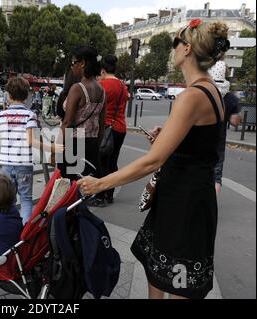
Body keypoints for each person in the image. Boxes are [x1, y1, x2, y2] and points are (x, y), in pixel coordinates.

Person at [78, 20, 230, 299]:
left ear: (186, 48)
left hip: (182, 204)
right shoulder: (210, 90)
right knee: (159, 273)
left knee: (173, 281)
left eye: (175, 43)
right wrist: (168, 134)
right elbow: (201, 142)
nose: (173, 49)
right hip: (190, 199)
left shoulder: (192, 95)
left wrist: (100, 183)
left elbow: (152, 161)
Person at [0, 77, 62, 224]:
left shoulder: (1, 116)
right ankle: (24, 234)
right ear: (27, 96)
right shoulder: (30, 115)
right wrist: (52, 148)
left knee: (7, 200)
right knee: (26, 199)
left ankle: (7, 228)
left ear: (8, 95)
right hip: (24, 165)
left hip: (6, 164)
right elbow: (32, 141)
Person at [58, 45, 107, 181]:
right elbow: (102, 125)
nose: (72, 67)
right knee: (85, 188)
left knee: (69, 188)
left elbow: (67, 123)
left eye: (74, 62)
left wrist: (55, 149)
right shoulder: (102, 90)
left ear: (83, 63)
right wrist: (95, 147)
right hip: (92, 143)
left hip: (73, 142)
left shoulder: (77, 88)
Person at [92, 55, 129, 206]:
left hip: (105, 128)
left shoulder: (102, 85)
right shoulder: (122, 86)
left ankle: (100, 196)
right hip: (120, 127)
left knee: (101, 163)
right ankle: (109, 195)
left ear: (102, 70)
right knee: (113, 162)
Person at [208, 61, 242, 194]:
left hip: (199, 138)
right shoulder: (231, 98)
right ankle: (211, 206)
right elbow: (235, 122)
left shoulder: (205, 91)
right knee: (216, 176)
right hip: (218, 140)